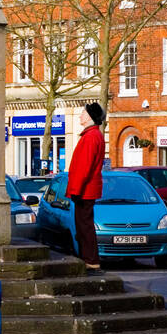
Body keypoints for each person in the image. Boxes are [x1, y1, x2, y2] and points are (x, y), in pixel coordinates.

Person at [66, 102, 106, 269]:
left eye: (83, 113)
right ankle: (89, 259)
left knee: (84, 227)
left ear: (89, 116)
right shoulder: (92, 135)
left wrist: (76, 190)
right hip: (86, 189)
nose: (81, 115)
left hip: (84, 190)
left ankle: (90, 260)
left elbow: (84, 167)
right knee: (84, 226)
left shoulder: (90, 137)